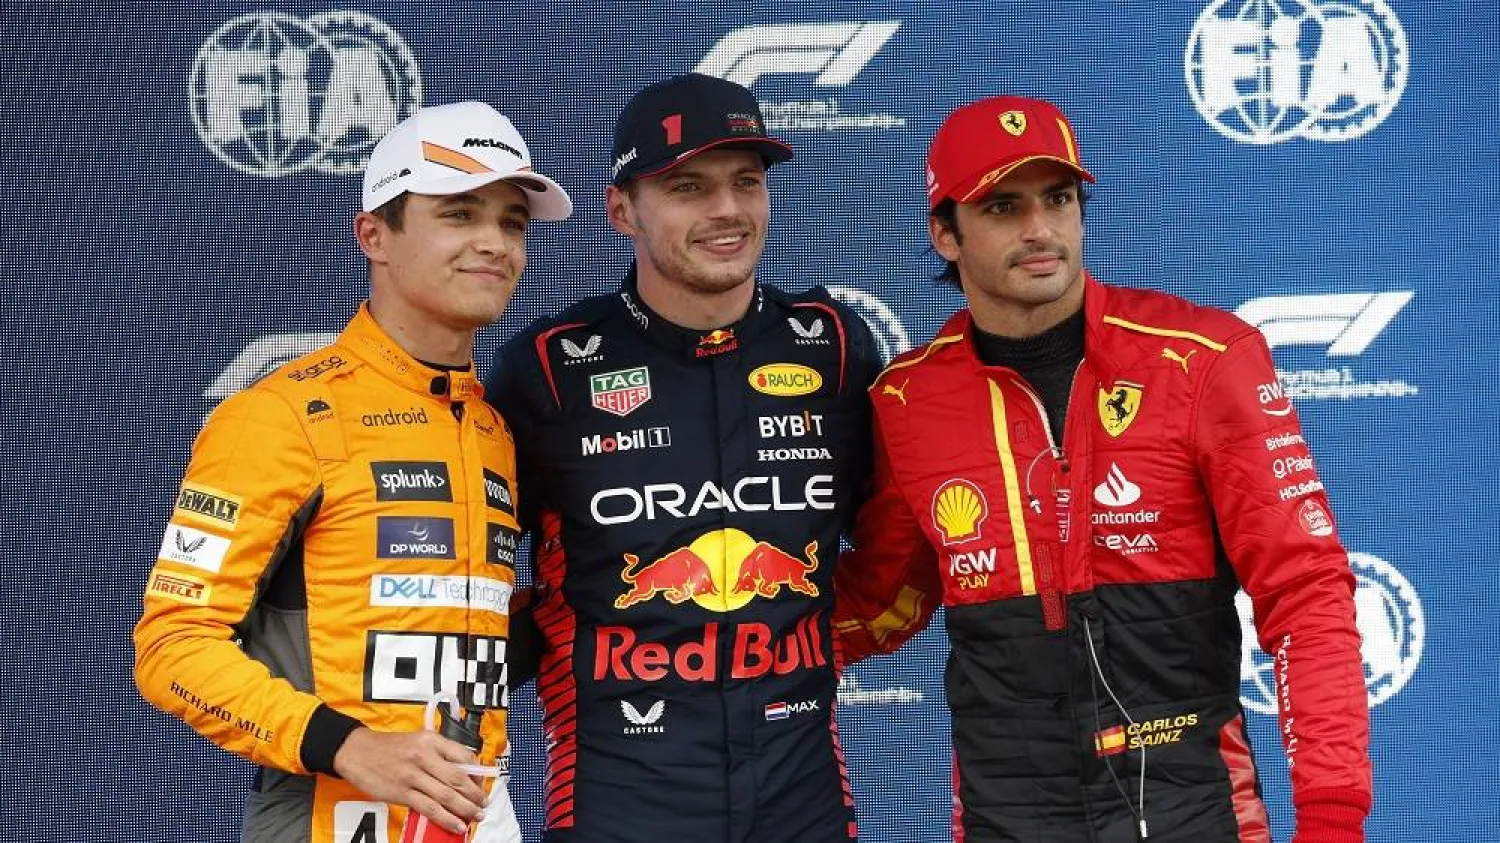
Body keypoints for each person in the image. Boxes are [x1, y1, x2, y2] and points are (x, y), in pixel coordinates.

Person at [833, 95, 1371, 842]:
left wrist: (1334, 815)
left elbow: (1306, 592)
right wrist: (717, 633)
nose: (1039, 229)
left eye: (1058, 199)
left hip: (1195, 815)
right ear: (944, 233)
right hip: (1005, 823)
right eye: (1002, 207)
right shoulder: (907, 399)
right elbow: (882, 600)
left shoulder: (1203, 360)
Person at [134, 101, 572, 843]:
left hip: (475, 811)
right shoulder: (279, 415)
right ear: (374, 234)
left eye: (512, 222)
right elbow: (172, 646)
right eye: (460, 215)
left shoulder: (495, 427)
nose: (494, 243)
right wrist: (351, 743)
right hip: (327, 817)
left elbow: (465, 628)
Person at [486, 73, 880, 843]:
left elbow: (896, 537)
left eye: (746, 181)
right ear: (621, 209)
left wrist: (831, 634)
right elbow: (472, 584)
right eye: (688, 186)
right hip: (620, 801)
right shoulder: (549, 370)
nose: (727, 209)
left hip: (803, 802)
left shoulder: (834, 345)